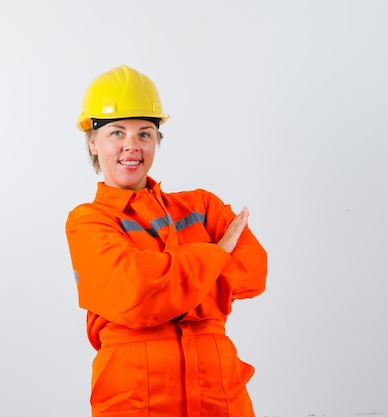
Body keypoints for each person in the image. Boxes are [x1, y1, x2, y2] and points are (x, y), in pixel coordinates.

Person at [65, 64, 267, 417]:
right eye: (117, 133)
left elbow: (254, 271)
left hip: (219, 393)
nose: (132, 146)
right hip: (136, 399)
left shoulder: (202, 206)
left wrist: (166, 294)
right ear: (93, 143)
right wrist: (217, 255)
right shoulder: (89, 221)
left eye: (144, 133)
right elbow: (136, 293)